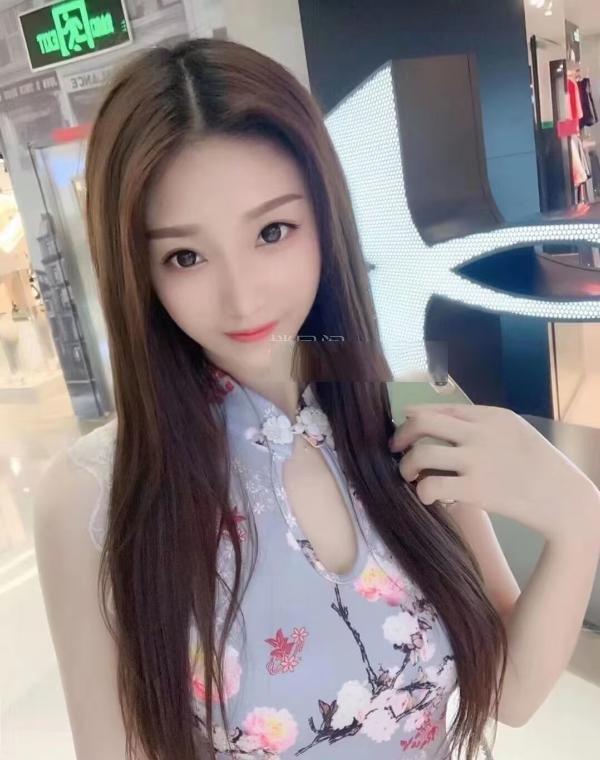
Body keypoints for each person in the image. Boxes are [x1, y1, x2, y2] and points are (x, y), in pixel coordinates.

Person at [33, 38, 600, 760]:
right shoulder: (96, 496)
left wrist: (579, 517)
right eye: (185, 255)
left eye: (272, 231)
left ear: (325, 221)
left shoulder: (404, 401)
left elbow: (510, 691)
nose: (243, 297)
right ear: (138, 270)